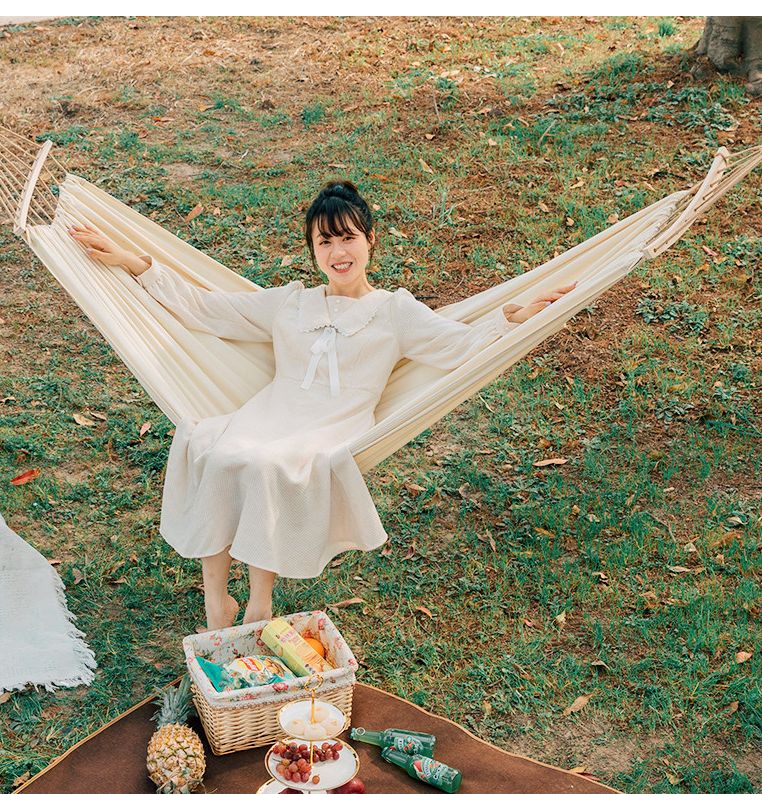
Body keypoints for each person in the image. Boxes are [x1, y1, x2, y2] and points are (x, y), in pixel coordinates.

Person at [69, 181, 574, 631]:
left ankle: (259, 605)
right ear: (313, 249)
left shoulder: (394, 312)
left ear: (370, 240)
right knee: (214, 452)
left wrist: (515, 319)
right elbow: (207, 308)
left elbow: (458, 346)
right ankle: (216, 603)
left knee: (267, 466)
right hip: (274, 409)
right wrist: (131, 261)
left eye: (347, 238)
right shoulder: (292, 302)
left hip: (335, 421)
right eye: (324, 242)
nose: (338, 252)